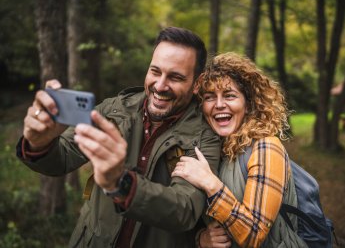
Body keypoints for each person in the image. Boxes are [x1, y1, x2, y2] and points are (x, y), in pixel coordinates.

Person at [16, 27, 221, 248]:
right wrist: (39, 143)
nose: (160, 86)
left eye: (176, 77)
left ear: (196, 84)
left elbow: (184, 209)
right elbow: (63, 158)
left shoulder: (205, 136)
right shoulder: (114, 109)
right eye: (155, 71)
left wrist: (120, 183)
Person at [172, 52, 307, 248]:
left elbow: (254, 235)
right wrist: (202, 239)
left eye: (229, 95)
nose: (219, 105)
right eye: (210, 97)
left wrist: (210, 183)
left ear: (248, 103)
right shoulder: (214, 151)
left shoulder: (266, 147)